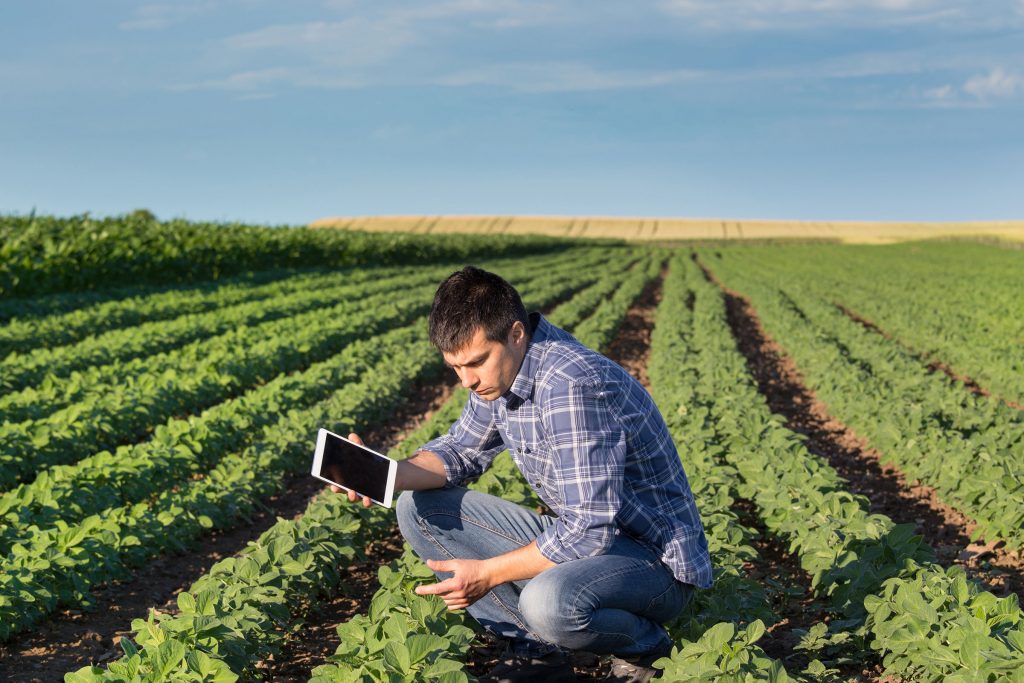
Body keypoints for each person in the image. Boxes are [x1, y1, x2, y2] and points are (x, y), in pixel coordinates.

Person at [334, 266, 711, 683]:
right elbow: (461, 451)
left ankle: (646, 648)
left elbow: (588, 531)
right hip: (592, 543)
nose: (466, 380)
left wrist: (488, 574)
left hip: (652, 563)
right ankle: (537, 650)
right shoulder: (502, 374)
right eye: (455, 367)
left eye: (476, 362)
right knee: (418, 507)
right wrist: (384, 471)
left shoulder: (569, 384)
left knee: (548, 602)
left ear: (516, 334)